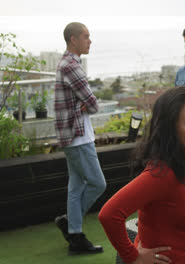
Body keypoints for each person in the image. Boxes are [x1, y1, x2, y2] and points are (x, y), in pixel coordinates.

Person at [99, 87, 185, 264]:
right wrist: (133, 257)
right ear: (171, 130)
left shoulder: (184, 160)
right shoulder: (163, 173)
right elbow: (109, 214)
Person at [53, 22, 106, 255]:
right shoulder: (72, 65)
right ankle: (71, 226)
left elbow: (87, 102)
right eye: (86, 36)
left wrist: (84, 104)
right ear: (73, 39)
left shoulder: (68, 63)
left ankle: (73, 231)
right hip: (78, 138)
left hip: (75, 136)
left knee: (76, 188)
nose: (90, 40)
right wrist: (86, 105)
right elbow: (92, 103)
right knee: (98, 183)